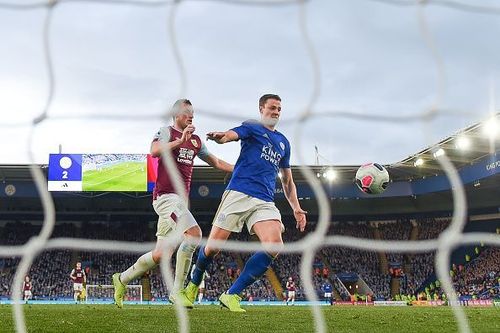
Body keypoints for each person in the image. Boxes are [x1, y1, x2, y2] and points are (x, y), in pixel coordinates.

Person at [182, 94, 307, 312]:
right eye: (272, 108)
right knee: (212, 249)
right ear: (261, 109)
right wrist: (223, 137)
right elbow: (232, 134)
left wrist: (296, 208)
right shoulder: (252, 127)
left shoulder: (283, 143)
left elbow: (287, 180)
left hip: (264, 201)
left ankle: (231, 295)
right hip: (239, 192)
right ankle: (192, 285)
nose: (276, 112)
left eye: (279, 108)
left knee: (275, 245)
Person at [112, 99, 233, 308]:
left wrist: (243, 170)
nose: (191, 116)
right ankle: (177, 293)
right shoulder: (166, 132)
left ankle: (121, 279)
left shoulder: (196, 141)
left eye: (193, 113)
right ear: (176, 114)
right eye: (187, 112)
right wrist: (180, 141)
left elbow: (217, 162)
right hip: (166, 197)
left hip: (180, 203)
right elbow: (154, 151)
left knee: (160, 254)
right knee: (194, 235)